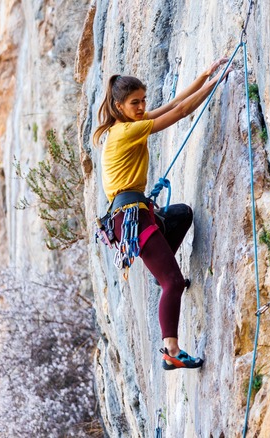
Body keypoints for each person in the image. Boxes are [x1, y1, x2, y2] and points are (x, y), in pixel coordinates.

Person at [92, 58, 232, 370]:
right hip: (132, 217)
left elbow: (171, 105)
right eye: (135, 103)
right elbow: (180, 112)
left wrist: (203, 76)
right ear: (118, 106)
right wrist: (217, 82)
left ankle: (162, 274)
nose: (142, 107)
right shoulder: (125, 132)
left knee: (182, 215)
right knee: (174, 282)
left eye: (143, 100)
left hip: (137, 213)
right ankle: (171, 350)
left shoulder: (126, 126)